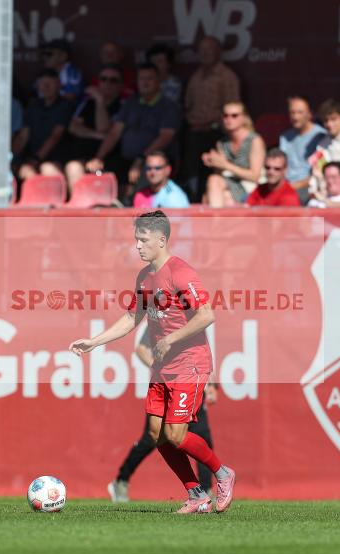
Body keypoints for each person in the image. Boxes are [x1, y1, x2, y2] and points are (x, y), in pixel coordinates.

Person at [69, 210, 236, 514]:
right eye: (136, 239)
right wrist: (94, 342)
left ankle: (222, 473)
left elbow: (207, 315)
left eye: (143, 240)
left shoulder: (181, 272)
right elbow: (131, 318)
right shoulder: (145, 277)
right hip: (163, 368)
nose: (138, 246)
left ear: (162, 240)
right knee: (158, 436)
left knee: (176, 435)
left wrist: (171, 339)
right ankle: (196, 494)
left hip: (189, 363)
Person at [107, 328, 218, 503]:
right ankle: (121, 480)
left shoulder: (193, 316)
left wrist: (212, 383)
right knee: (153, 437)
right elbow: (141, 349)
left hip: (191, 380)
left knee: (201, 435)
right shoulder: (162, 316)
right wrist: (159, 366)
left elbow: (202, 353)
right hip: (165, 383)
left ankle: (205, 489)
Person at [85, 63, 180, 202]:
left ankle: (131, 213)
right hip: (126, 158)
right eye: (142, 79)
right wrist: (99, 158)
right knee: (99, 174)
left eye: (150, 79)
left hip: (153, 160)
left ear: (159, 82)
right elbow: (114, 133)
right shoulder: (130, 103)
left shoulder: (168, 106)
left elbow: (165, 137)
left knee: (140, 180)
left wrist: (141, 159)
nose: (145, 82)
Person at [182, 36, 240, 199]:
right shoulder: (196, 76)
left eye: (209, 49)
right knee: (191, 176)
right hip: (194, 132)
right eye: (201, 50)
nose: (205, 54)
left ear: (218, 52)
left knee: (209, 177)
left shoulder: (227, 76)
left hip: (215, 133)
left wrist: (210, 121)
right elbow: (188, 104)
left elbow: (233, 108)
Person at [65, 64, 125, 190]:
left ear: (120, 85)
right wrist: (97, 135)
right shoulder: (87, 103)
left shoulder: (123, 105)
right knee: (73, 166)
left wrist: (100, 101)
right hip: (83, 156)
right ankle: (80, 209)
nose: (107, 83)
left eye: (113, 80)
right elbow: (73, 127)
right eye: (104, 79)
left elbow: (104, 129)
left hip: (109, 158)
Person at [202, 101, 265, 206]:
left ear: (244, 118)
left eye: (234, 116)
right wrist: (213, 162)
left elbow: (255, 176)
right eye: (225, 115)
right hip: (230, 187)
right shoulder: (222, 143)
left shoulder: (254, 140)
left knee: (214, 186)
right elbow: (221, 174)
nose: (229, 119)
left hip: (251, 188)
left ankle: (214, 221)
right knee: (215, 190)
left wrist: (225, 165)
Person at [14, 69, 74, 174]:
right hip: (31, 156)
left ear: (59, 85)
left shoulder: (66, 105)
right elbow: (23, 136)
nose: (46, 87)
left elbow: (56, 136)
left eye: (50, 83)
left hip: (57, 159)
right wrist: (11, 156)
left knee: (35, 170)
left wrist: (36, 159)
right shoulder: (33, 105)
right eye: (42, 83)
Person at [279, 95, 327, 204]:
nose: (295, 117)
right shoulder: (285, 137)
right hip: (285, 185)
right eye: (292, 112)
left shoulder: (321, 137)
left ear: (310, 114)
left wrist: (291, 187)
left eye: (300, 112)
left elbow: (319, 173)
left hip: (308, 187)